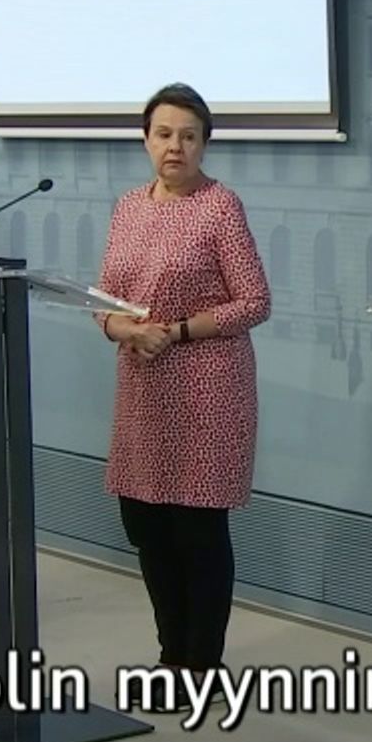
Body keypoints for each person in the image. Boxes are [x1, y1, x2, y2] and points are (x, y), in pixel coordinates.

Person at [95, 83, 270, 707]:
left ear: (204, 145)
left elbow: (255, 301)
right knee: (147, 524)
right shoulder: (127, 207)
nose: (176, 146)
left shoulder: (220, 207)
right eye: (165, 134)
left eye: (189, 136)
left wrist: (177, 331)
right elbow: (104, 299)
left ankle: (203, 666)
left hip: (208, 387)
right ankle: (171, 656)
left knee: (196, 528)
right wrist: (124, 328)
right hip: (143, 386)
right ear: (146, 140)